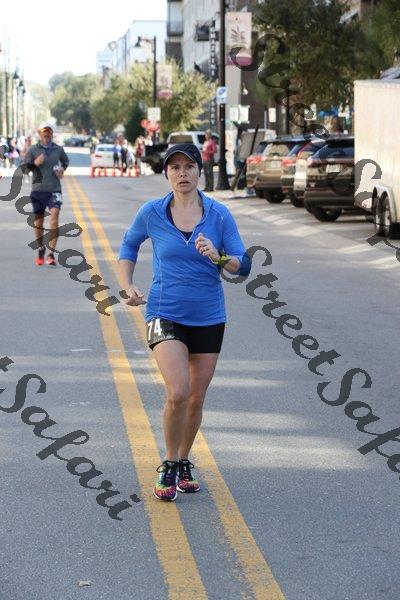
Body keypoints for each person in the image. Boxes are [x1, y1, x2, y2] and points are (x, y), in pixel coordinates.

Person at [118, 143, 250, 502]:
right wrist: (127, 284)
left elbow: (243, 265)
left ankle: (183, 459)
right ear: (166, 174)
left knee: (195, 397)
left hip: (208, 316)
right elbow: (129, 246)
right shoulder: (152, 212)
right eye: (175, 167)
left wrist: (219, 257)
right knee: (178, 391)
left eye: (189, 166)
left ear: (199, 172)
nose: (182, 173)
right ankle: (169, 462)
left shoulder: (219, 215)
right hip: (164, 311)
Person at [21, 122, 69, 266]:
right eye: (44, 131)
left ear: (52, 133)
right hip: (38, 191)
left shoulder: (58, 149)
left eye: (49, 131)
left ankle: (51, 254)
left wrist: (61, 169)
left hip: (54, 189)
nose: (47, 134)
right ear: (39, 134)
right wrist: (35, 163)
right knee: (39, 223)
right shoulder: (33, 149)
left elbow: (65, 162)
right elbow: (25, 170)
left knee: (54, 220)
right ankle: (41, 248)